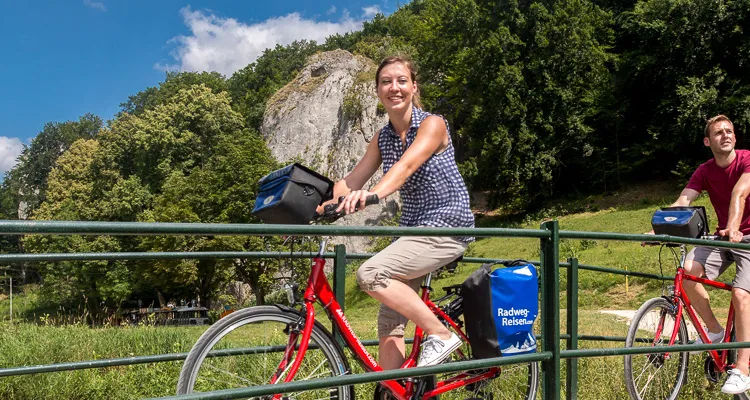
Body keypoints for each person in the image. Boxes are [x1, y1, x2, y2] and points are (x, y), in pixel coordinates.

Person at [324, 55, 474, 370]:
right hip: (413, 233)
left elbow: (405, 168)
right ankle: (393, 390)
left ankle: (441, 335)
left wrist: (373, 194)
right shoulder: (383, 137)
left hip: (445, 226)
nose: (394, 87)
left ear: (414, 87)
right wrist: (320, 205)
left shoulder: (433, 124)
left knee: (371, 274)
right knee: (389, 322)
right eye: (386, 82)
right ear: (378, 91)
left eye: (401, 80)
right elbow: (350, 181)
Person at [648, 115, 750, 394]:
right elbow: (684, 200)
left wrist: (733, 227)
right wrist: (659, 229)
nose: (725, 135)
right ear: (708, 141)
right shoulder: (705, 170)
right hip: (722, 236)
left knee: (741, 294)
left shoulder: (747, 160)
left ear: (735, 138)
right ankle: (716, 331)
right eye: (719, 133)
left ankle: (742, 368)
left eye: (729, 131)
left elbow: (740, 194)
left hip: (747, 237)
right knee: (688, 269)